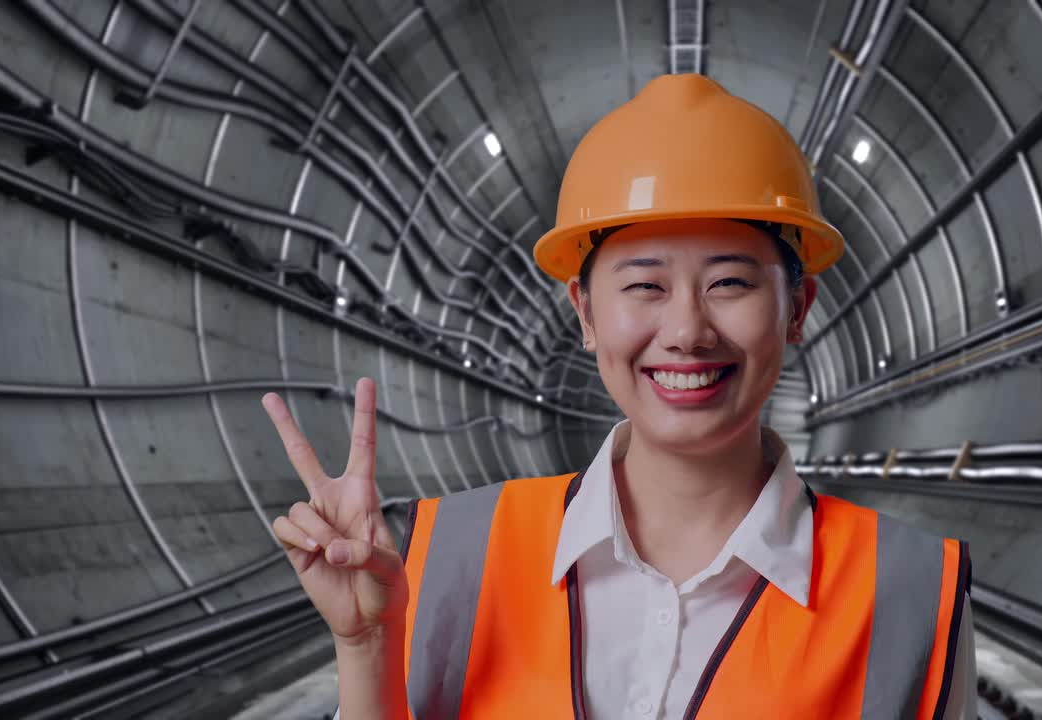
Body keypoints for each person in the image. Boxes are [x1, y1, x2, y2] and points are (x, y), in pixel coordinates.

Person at [263, 73, 975, 719]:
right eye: (645, 286)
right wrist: (365, 651)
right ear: (585, 311)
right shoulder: (444, 558)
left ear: (797, 308)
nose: (688, 331)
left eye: (730, 282)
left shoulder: (912, 591)